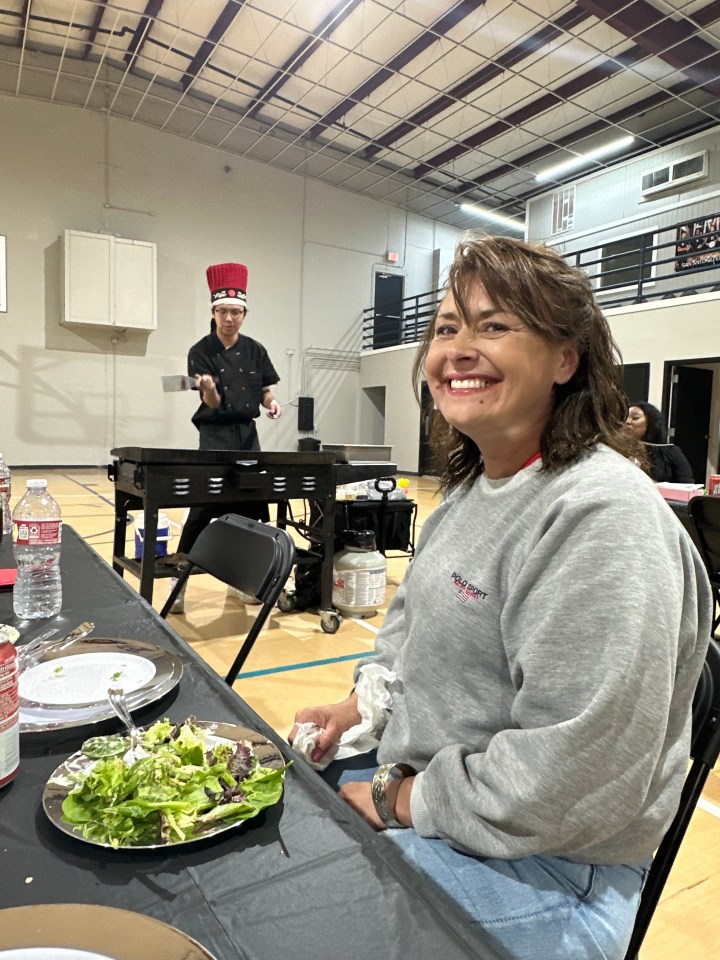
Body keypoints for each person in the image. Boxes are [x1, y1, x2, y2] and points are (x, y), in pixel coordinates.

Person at [289, 236, 712, 960]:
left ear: (565, 359)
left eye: (494, 326)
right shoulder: (471, 492)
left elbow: (571, 775)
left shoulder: (602, 517)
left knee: (293, 918)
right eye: (448, 327)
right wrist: (361, 708)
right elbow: (406, 639)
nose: (458, 348)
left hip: (547, 865)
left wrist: (398, 798)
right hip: (438, 796)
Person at [168, 262, 281, 613]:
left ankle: (240, 582)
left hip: (248, 437)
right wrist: (209, 391)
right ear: (214, 312)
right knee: (203, 509)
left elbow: (265, 390)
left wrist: (272, 403)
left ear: (244, 314)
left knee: (251, 509)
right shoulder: (200, 351)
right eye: (223, 311)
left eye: (236, 312)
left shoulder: (256, 350)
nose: (229, 318)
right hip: (215, 437)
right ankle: (178, 582)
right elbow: (212, 402)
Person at [625, 401, 695, 483]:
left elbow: (687, 484)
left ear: (651, 422)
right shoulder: (618, 450)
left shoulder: (670, 451)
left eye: (635, 418)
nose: (627, 422)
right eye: (625, 418)